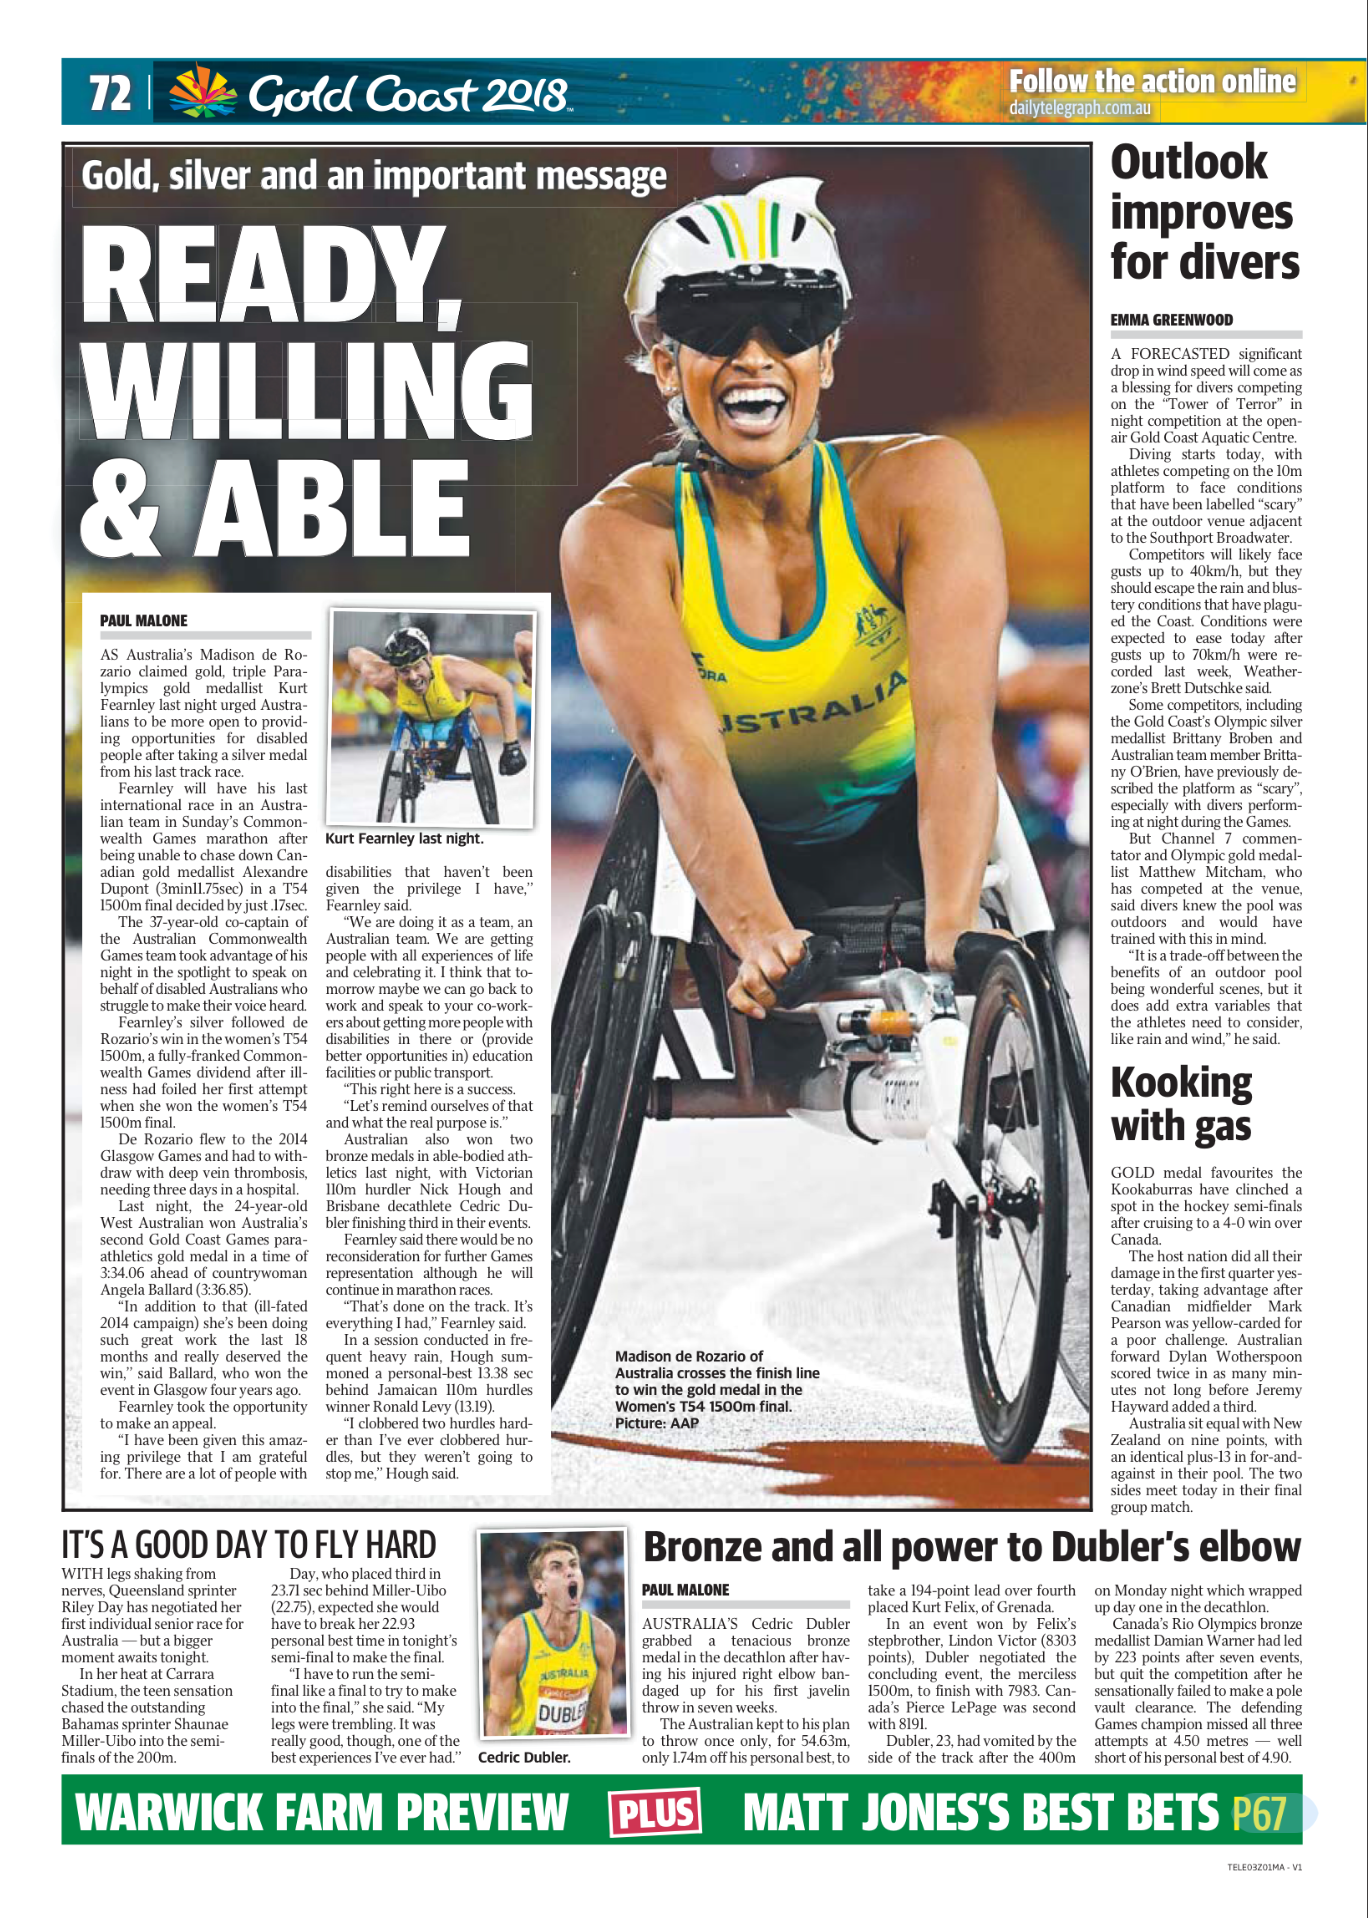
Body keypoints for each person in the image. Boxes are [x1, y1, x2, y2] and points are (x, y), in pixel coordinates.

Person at [560, 177, 1008, 1022]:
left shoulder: (922, 486)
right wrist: (762, 933)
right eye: (717, 327)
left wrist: (952, 932)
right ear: (666, 366)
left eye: (790, 323)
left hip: (900, 834)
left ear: (827, 355)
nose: (755, 356)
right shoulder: (616, 537)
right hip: (732, 849)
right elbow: (680, 758)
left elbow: (956, 724)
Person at [348, 627, 527, 777]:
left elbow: (503, 688)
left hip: (453, 719)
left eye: (418, 666)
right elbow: (354, 654)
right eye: (404, 670)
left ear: (430, 658)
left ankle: (444, 757)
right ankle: (427, 759)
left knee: (442, 732)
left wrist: (511, 746)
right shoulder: (384, 677)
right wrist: (381, 662)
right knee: (425, 732)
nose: (413, 677)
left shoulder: (455, 671)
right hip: (419, 724)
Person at [485, 1539, 615, 1737]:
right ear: (540, 1586)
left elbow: (600, 1716)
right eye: (556, 1567)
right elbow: (498, 1719)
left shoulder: (602, 1636)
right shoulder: (513, 1640)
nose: (570, 1571)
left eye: (574, 1565)